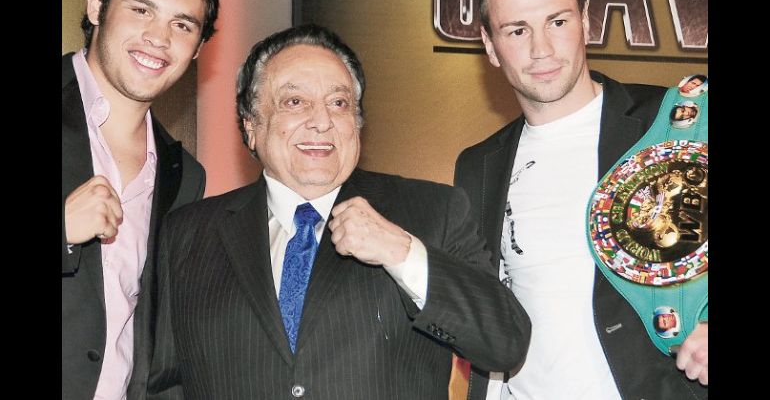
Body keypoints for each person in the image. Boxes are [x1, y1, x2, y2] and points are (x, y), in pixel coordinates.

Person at [146, 24, 531, 399]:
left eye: (339, 103)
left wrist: (404, 253)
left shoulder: (432, 211)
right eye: (295, 102)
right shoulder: (187, 236)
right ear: (251, 126)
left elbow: (504, 342)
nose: (321, 121)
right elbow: (165, 384)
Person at [453, 0, 708, 399]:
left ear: (585, 22)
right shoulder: (479, 165)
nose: (541, 49)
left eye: (557, 21)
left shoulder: (672, 122)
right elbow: (483, 311)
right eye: (516, 30)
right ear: (490, 46)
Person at [62, 0, 220, 399]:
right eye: (141, 9)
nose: (159, 37)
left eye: (182, 24)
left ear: (196, 49)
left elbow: (155, 344)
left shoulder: (184, 175)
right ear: (97, 5)